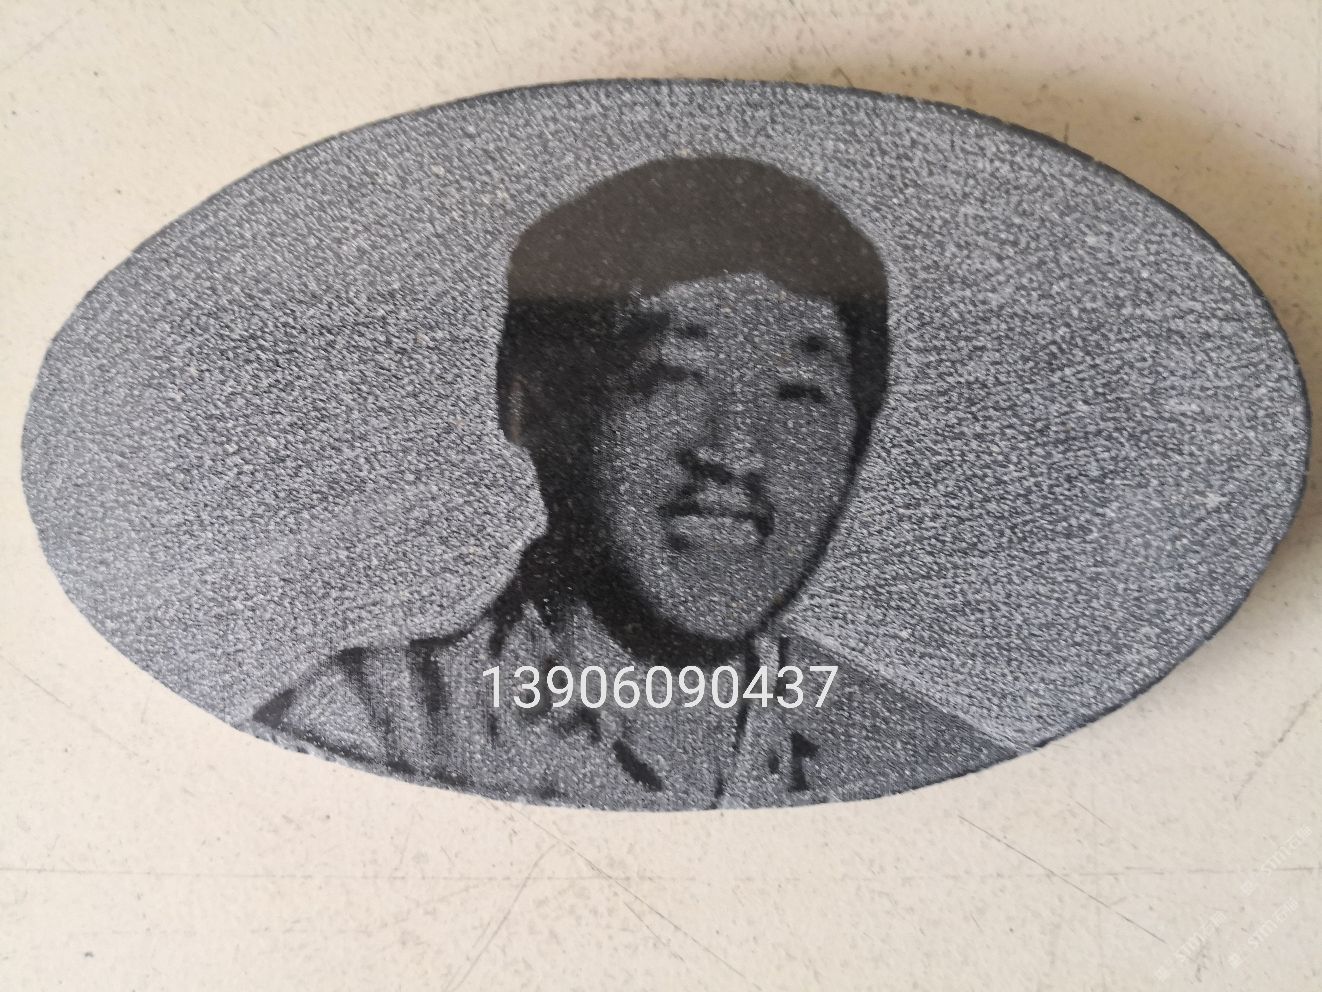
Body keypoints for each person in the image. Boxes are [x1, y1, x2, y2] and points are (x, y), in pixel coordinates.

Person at [247, 156, 1010, 809]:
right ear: (532, 403)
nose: (736, 450)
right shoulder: (373, 731)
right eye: (676, 377)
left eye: (799, 394)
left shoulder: (922, 759)